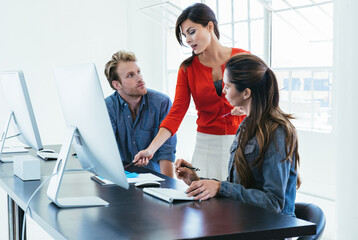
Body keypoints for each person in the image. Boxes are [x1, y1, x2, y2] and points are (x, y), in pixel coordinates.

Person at [174, 53, 301, 216]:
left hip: (271, 228)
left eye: (227, 86)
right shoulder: (246, 125)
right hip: (244, 220)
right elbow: (238, 187)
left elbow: (273, 202)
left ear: (246, 93)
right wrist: (197, 181)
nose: (223, 91)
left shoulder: (277, 131)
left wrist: (220, 187)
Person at [134, 3, 249, 180]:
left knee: (239, 202)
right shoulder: (187, 69)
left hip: (242, 142)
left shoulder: (243, 58)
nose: (187, 39)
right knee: (205, 203)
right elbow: (177, 112)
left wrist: (248, 108)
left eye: (192, 31)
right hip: (205, 147)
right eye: (184, 35)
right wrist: (151, 149)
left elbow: (264, 95)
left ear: (210, 26)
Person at [104, 50, 176, 177]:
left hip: (154, 178)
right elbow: (106, 150)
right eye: (130, 75)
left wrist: (169, 188)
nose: (140, 78)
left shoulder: (162, 103)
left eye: (138, 72)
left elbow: (166, 151)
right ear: (117, 85)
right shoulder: (108, 107)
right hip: (121, 178)